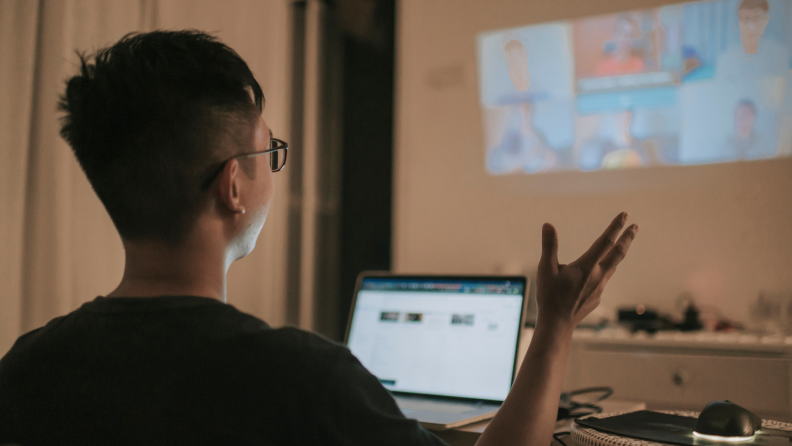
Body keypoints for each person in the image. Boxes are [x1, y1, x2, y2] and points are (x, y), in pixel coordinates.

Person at [0, 31, 639, 445]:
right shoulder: (305, 380)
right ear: (233, 185)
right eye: (269, 151)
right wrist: (555, 323)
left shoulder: (26, 368)